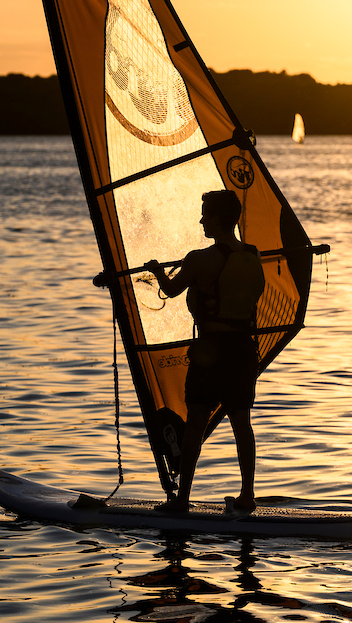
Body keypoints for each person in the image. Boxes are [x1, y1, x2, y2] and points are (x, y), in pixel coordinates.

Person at [143, 190, 265, 514]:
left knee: (196, 421)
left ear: (217, 219)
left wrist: (157, 270)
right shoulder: (253, 256)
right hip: (243, 351)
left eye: (205, 214)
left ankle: (182, 501)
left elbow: (170, 290)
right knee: (242, 422)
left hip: (211, 353)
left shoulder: (198, 260)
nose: (200, 220)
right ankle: (247, 496)